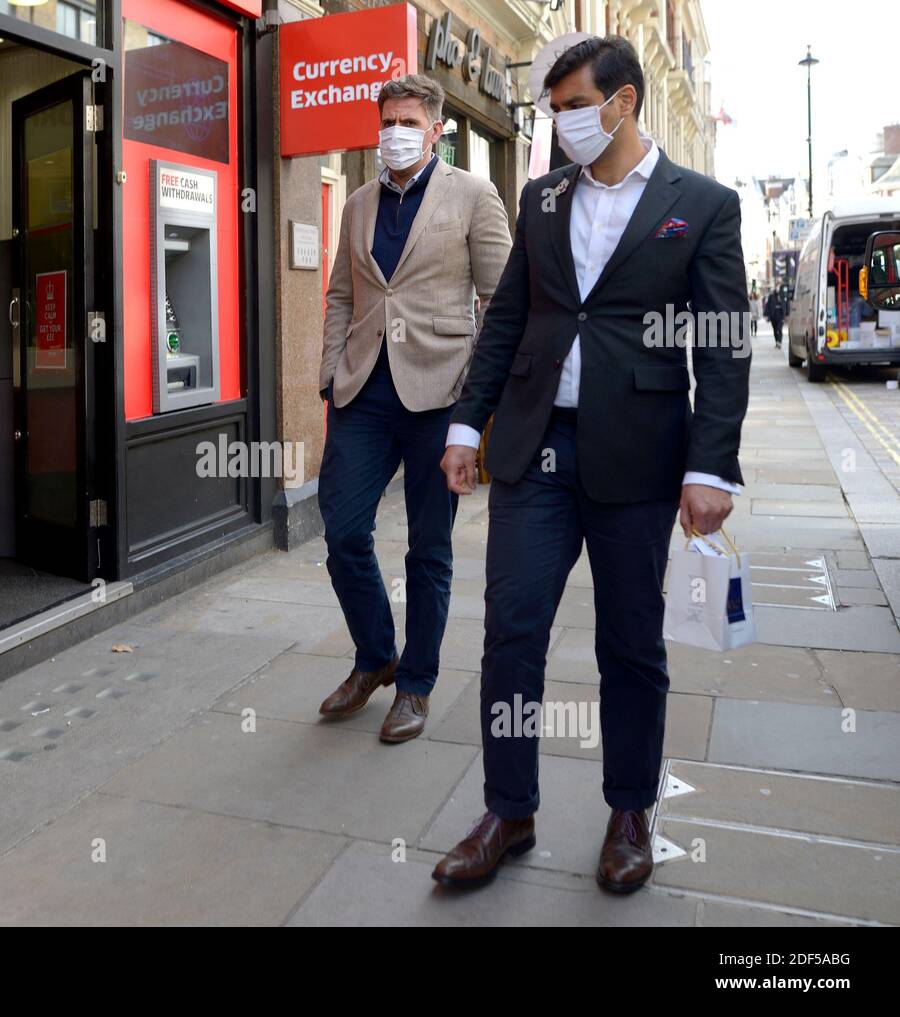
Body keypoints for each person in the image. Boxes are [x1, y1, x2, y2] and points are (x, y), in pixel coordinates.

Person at [435, 36, 750, 893]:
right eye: (556, 107)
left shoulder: (704, 206)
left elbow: (723, 348)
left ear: (623, 102)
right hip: (535, 450)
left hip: (640, 455)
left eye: (575, 103)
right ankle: (509, 807)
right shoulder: (540, 198)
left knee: (630, 644)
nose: (563, 119)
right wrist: (467, 425)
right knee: (511, 629)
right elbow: (506, 321)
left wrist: (712, 466)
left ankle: (629, 810)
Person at [317, 74, 511, 743]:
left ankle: (416, 683)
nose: (393, 133)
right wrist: (327, 373)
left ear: (435, 128)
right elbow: (342, 292)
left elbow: (502, 301)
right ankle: (375, 656)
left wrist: (476, 402)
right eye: (386, 122)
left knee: (429, 548)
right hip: (362, 391)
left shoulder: (474, 195)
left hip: (439, 394)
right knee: (342, 532)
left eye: (407, 122)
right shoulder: (358, 203)